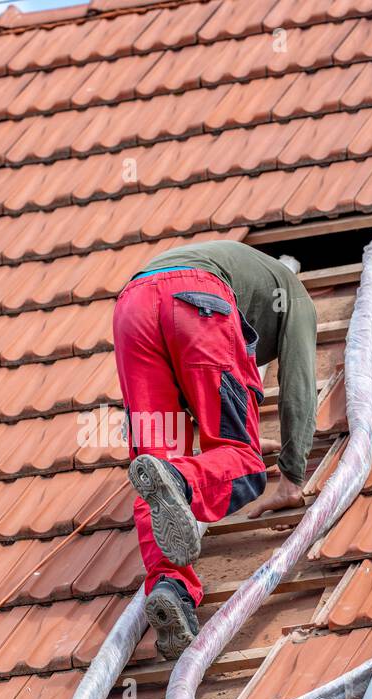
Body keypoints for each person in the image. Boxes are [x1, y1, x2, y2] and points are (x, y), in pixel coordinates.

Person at [112, 239, 318, 658]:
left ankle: (173, 590)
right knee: (243, 464)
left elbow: (188, 389)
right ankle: (181, 481)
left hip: (131, 309)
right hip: (196, 302)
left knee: (155, 461)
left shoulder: (246, 272)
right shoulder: (297, 298)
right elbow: (299, 384)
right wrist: (293, 476)